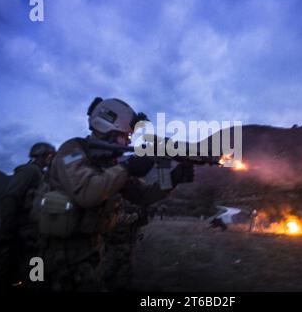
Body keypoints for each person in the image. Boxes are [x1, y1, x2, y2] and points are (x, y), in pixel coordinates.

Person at [40, 97, 194, 292]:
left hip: (91, 253)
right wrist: (128, 167)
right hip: (59, 257)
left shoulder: (110, 166)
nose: (128, 140)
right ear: (108, 129)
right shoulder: (72, 150)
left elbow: (143, 196)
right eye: (125, 136)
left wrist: (173, 178)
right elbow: (87, 193)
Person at [0, 142, 56, 291]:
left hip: (32, 231)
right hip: (24, 230)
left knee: (29, 264)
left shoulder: (40, 173)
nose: (51, 159)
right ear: (41, 155)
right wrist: (8, 230)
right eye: (50, 155)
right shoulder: (30, 171)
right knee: (8, 267)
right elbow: (10, 197)